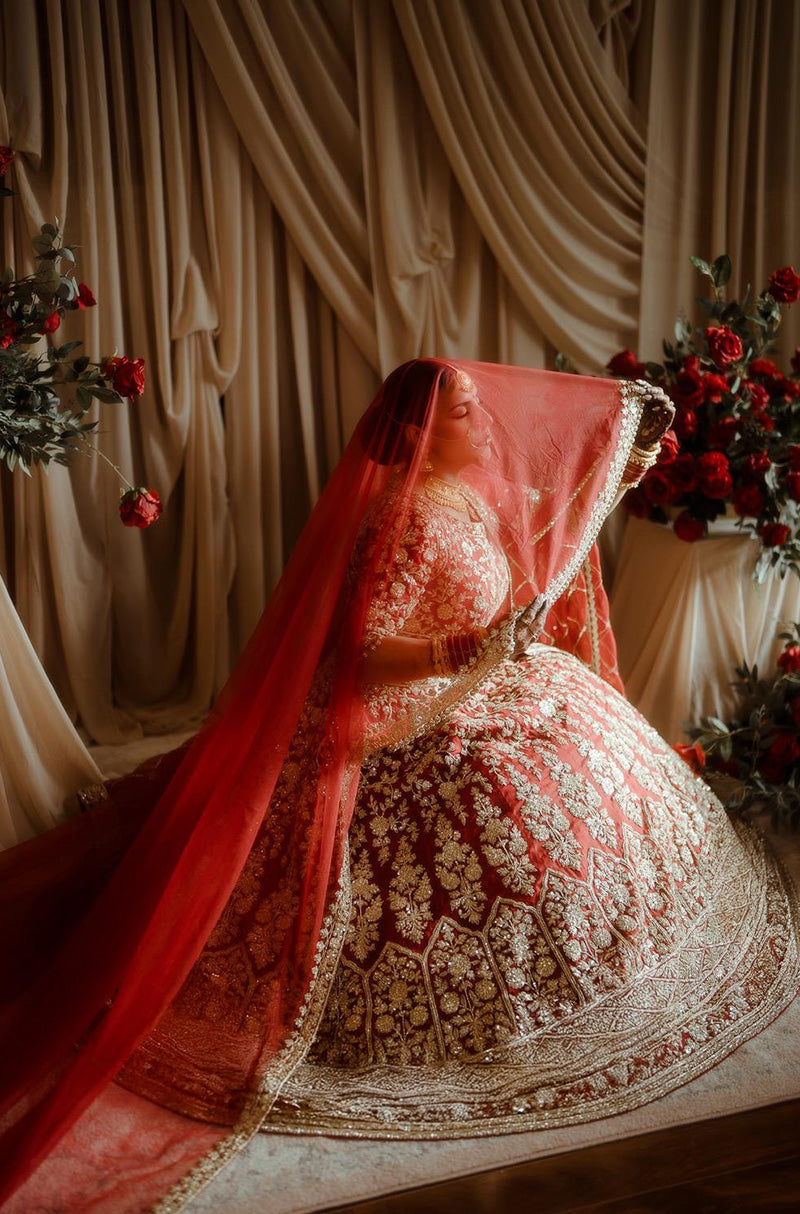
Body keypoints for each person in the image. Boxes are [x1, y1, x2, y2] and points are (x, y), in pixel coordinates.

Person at [0, 358, 798, 1213]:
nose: (485, 417)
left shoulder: (472, 484)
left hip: (491, 680)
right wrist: (465, 652)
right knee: (498, 805)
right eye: (464, 409)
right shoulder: (406, 519)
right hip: (409, 713)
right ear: (420, 432)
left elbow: (541, 530)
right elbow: (363, 651)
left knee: (588, 748)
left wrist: (619, 471)